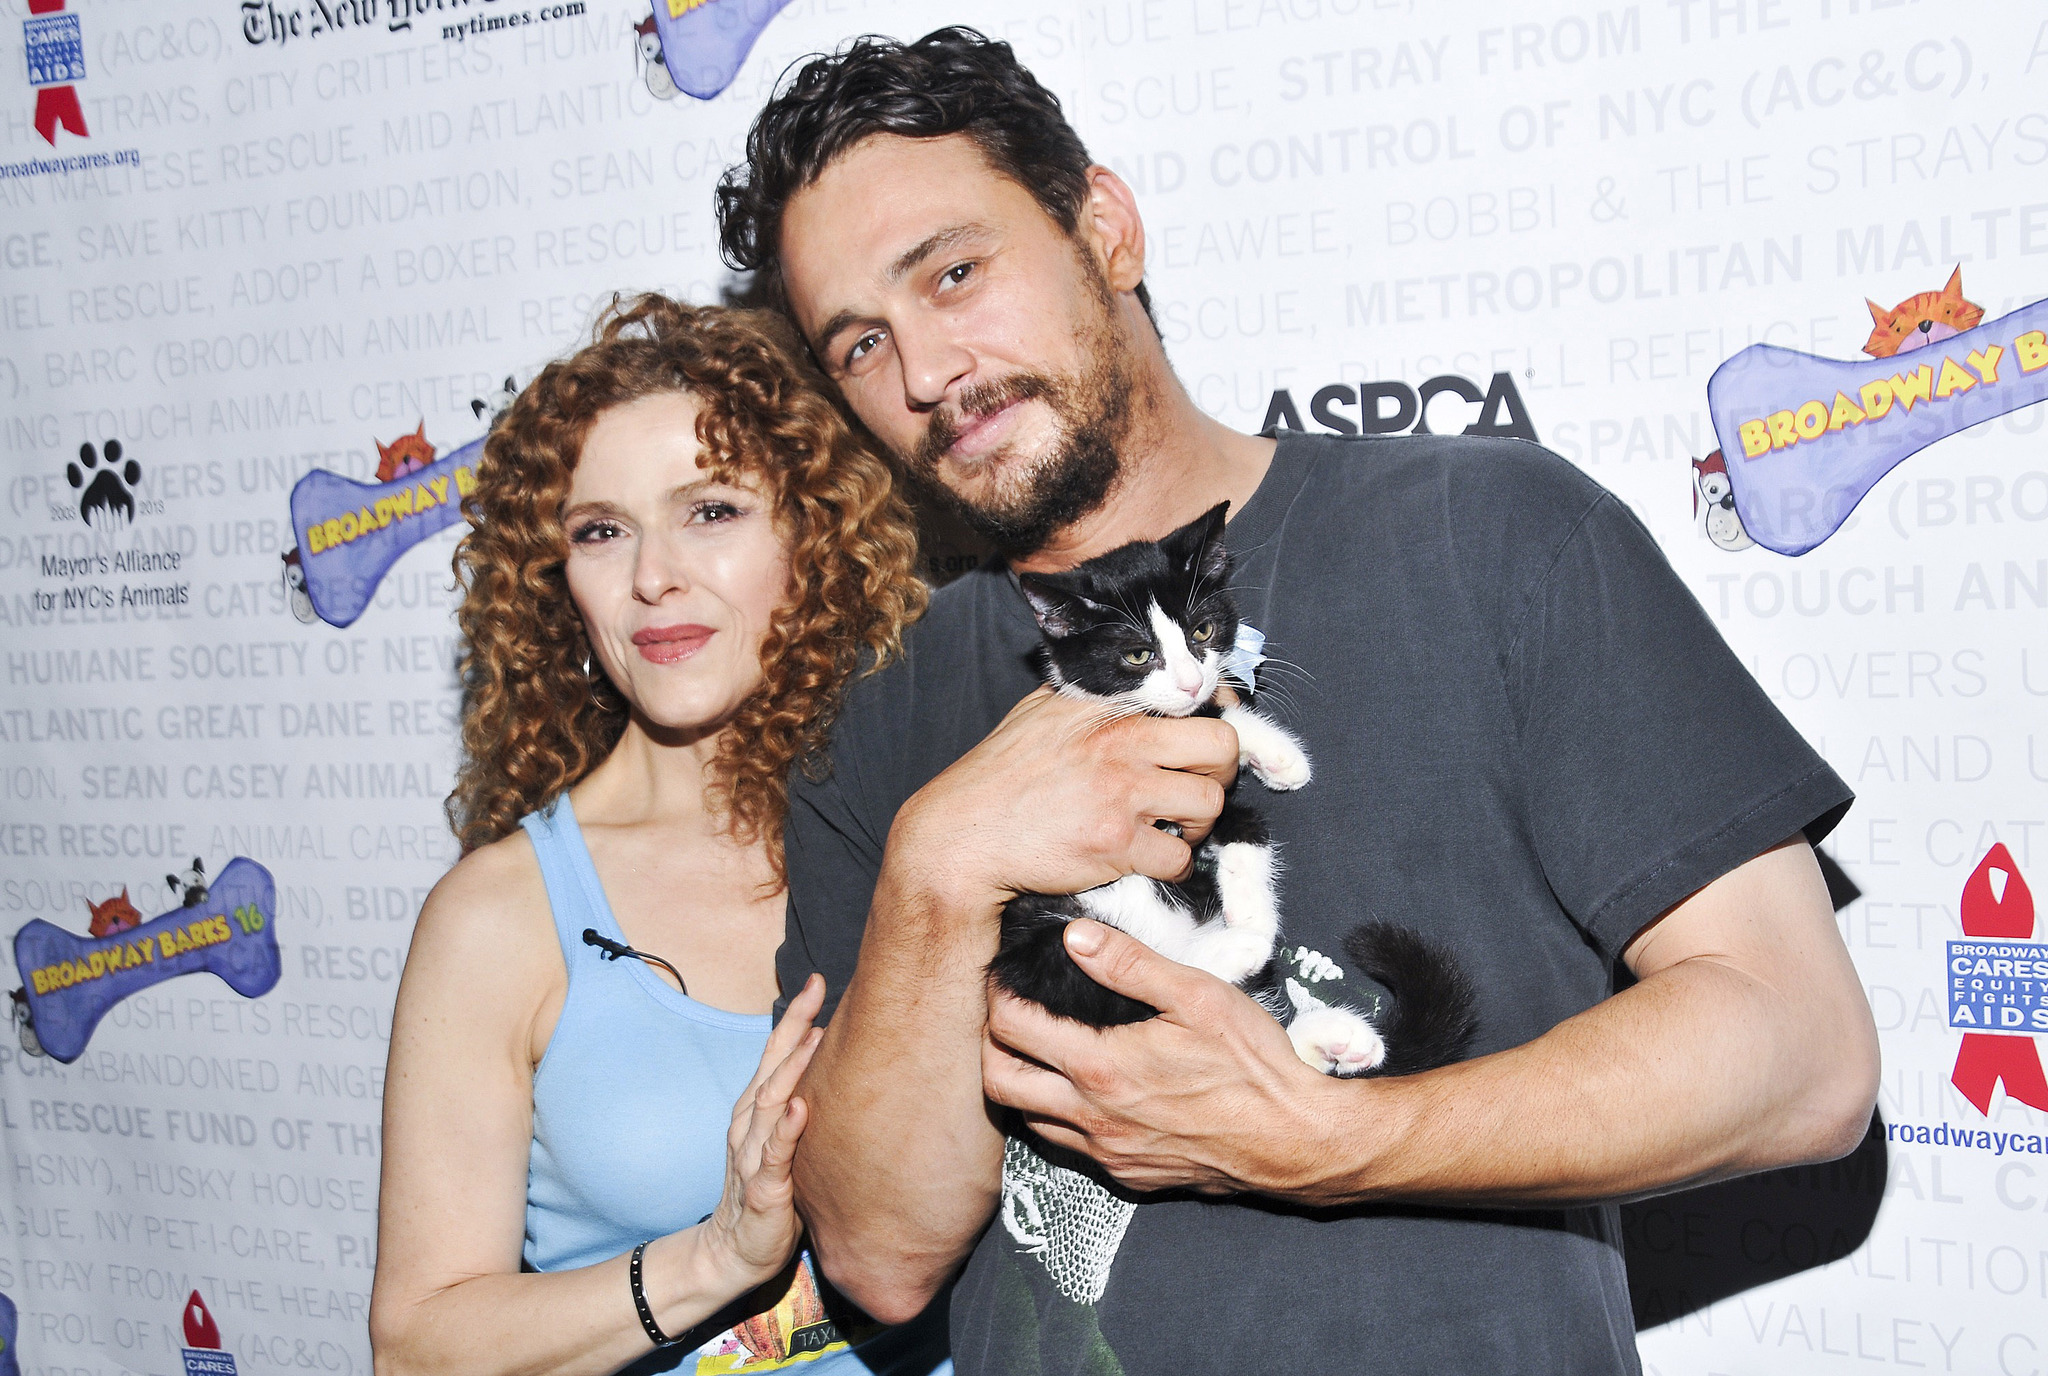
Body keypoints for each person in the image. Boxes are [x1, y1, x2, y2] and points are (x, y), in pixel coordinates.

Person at [712, 28, 1881, 1375]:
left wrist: (1338, 1144)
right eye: (860, 342)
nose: (925, 374)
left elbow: (1802, 1051)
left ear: (1106, 229)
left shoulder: (1488, 535)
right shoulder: (880, 720)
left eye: (957, 274)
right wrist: (938, 869)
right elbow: (878, 1254)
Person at [369, 295, 948, 1376]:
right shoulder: (502, 913)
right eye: (601, 530)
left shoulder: (931, 824)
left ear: (812, 539)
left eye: (712, 510)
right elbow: (418, 1346)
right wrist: (713, 1257)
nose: (651, 575)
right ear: (560, 585)